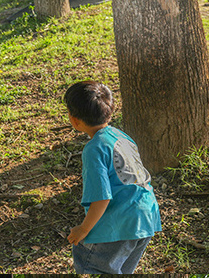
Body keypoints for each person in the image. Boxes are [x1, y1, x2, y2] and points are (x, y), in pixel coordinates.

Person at [63, 80, 161, 274]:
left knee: (93, 266)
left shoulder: (94, 149)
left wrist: (84, 229)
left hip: (119, 224)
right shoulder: (121, 136)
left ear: (74, 120)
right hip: (145, 217)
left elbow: (102, 197)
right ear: (110, 110)